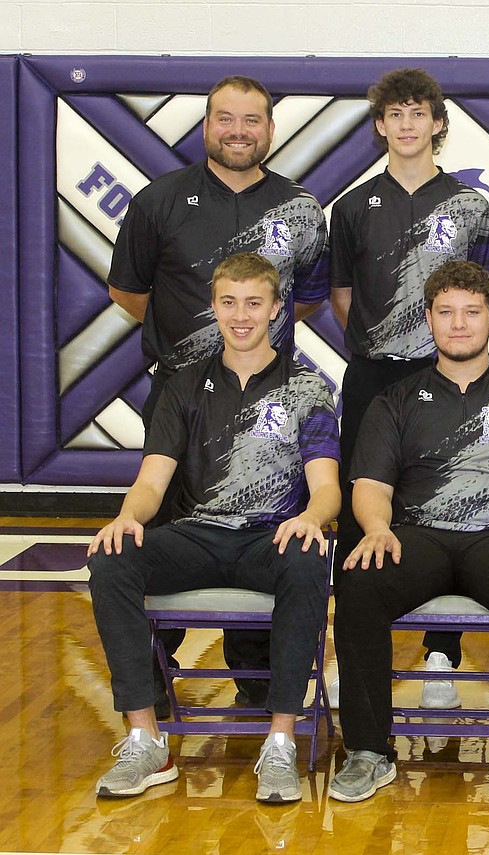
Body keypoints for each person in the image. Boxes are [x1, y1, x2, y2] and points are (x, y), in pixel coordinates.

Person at [108, 74, 330, 709]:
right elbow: (129, 292)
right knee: (173, 537)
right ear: (205, 126)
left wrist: (249, 344)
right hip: (181, 403)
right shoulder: (159, 201)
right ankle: (151, 677)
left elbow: (308, 299)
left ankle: (258, 688)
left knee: (259, 534)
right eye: (226, 119)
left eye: (252, 120)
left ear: (269, 129)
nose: (239, 131)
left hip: (268, 407)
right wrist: (194, 355)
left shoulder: (301, 210)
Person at [86, 253, 340, 804]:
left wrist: (311, 518)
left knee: (307, 560)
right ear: (214, 306)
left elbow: (327, 488)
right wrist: (128, 517)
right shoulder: (184, 385)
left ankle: (279, 742)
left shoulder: (308, 387)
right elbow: (153, 482)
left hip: (271, 536)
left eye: (254, 303)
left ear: (277, 309)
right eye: (229, 302)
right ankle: (144, 738)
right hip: (198, 534)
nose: (241, 316)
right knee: (112, 559)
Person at [331, 260, 489, 806]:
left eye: (472, 312)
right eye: (446, 313)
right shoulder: (394, 400)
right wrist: (374, 529)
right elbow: (370, 483)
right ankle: (368, 752)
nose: (459, 324)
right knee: (359, 586)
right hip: (417, 536)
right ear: (429, 320)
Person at [328, 67, 489, 712]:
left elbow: (477, 296)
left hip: (450, 374)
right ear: (380, 125)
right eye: (394, 114)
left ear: (437, 124)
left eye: (417, 113)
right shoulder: (352, 206)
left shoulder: (468, 205)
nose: (406, 125)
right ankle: (351, 653)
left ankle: (441, 653)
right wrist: (387, 342)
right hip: (375, 372)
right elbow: (343, 298)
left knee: (446, 502)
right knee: (363, 506)